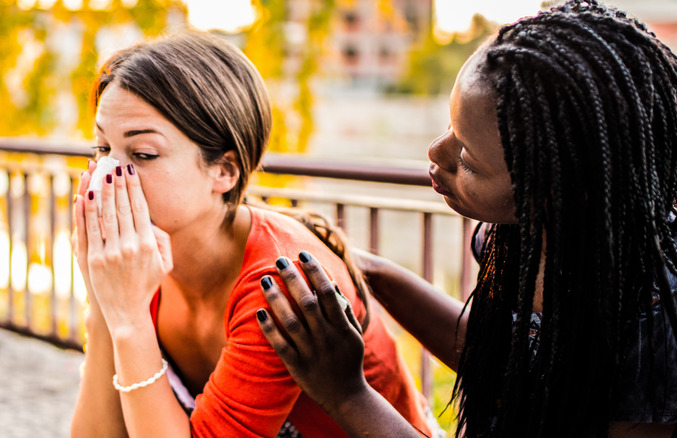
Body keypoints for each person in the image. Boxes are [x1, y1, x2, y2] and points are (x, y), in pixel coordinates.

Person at [255, 1, 677, 437]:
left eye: (469, 160)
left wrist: (348, 394)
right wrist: (366, 269)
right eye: (451, 129)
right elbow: (514, 363)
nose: (437, 153)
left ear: (555, 190)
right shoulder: (523, 240)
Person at [69, 31, 439, 438]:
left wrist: (129, 318)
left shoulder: (279, 284)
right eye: (102, 149)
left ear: (224, 170)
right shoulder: (142, 262)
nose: (107, 176)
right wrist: (106, 307)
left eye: (143, 155)